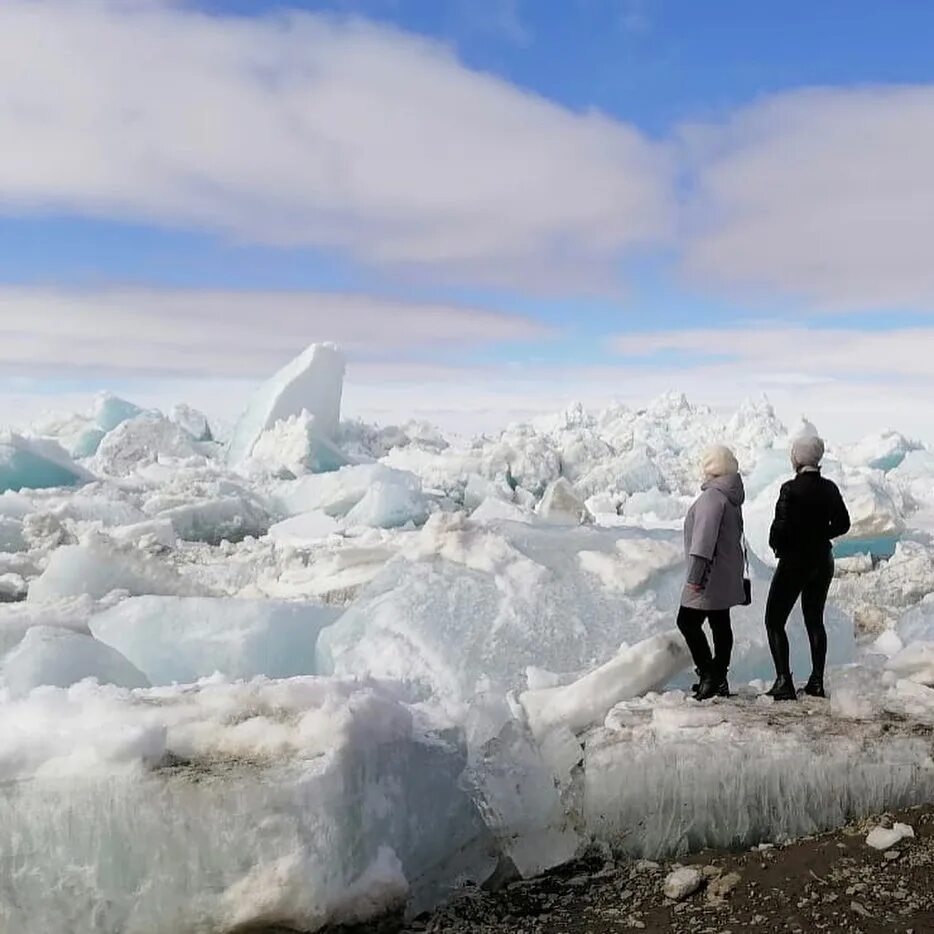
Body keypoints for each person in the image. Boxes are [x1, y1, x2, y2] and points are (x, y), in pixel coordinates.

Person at [764, 434, 850, 701]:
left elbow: (779, 528)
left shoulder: (790, 489)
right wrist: (821, 534)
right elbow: (844, 523)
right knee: (814, 620)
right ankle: (816, 682)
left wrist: (779, 545)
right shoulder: (830, 488)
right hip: (822, 561)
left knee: (774, 619)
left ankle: (783, 681)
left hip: (794, 562)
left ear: (797, 458)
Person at [677, 445, 747, 701]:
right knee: (720, 624)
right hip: (726, 573)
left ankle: (710, 675)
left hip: (708, 576)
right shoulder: (731, 496)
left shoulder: (712, 498)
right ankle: (719, 678)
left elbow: (703, 543)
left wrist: (695, 578)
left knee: (686, 622)